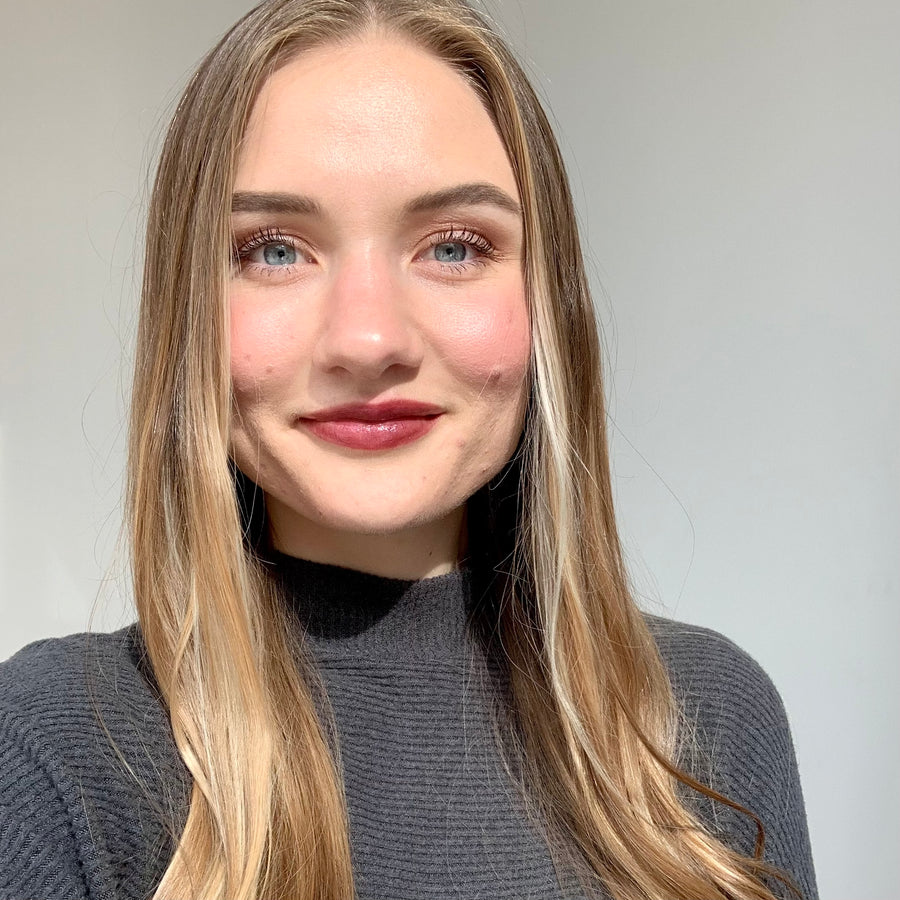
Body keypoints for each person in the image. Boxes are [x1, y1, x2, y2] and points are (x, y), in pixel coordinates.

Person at [0, 1, 818, 898]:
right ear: (186, 309)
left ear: (548, 304)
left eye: (454, 248)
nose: (368, 340)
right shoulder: (51, 753)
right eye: (275, 251)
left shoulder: (705, 719)